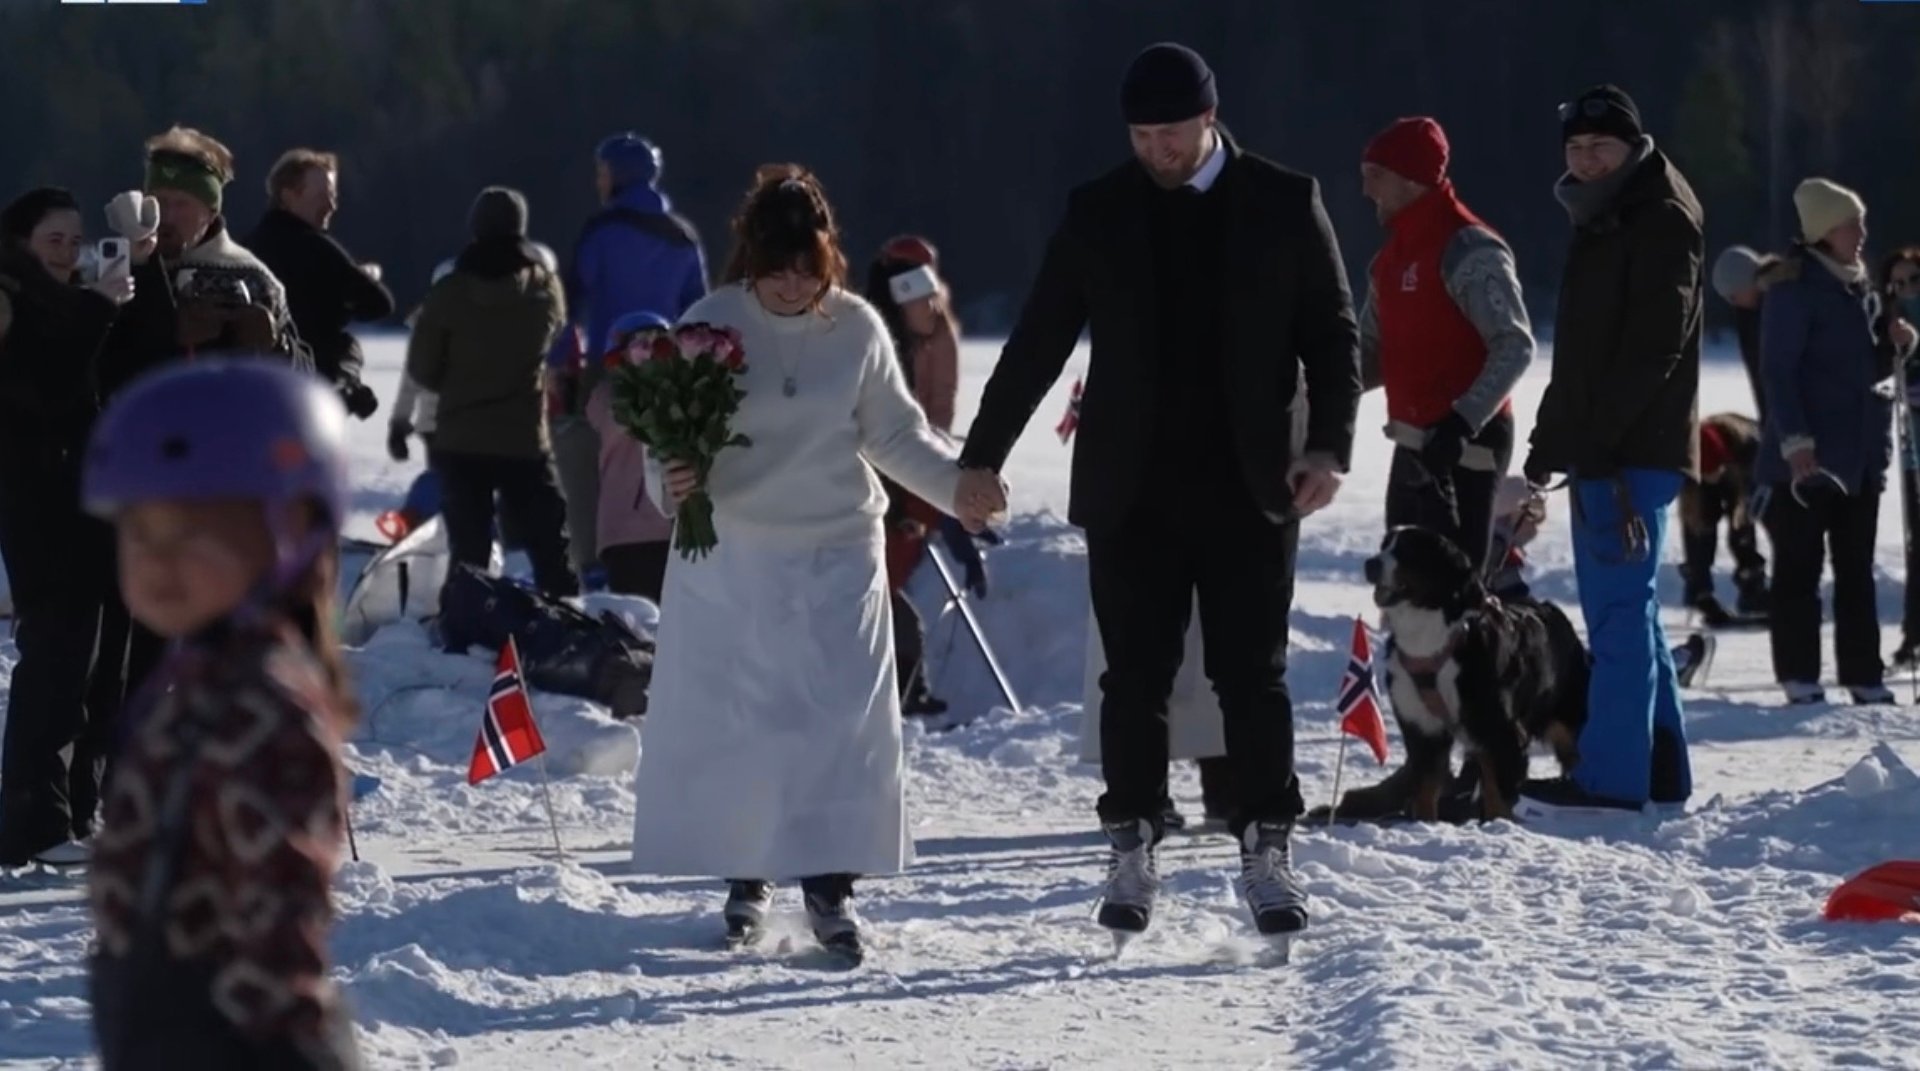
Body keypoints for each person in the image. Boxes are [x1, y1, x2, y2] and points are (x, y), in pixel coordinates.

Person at [960, 43, 1361, 938]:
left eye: (1169, 133)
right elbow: (1037, 341)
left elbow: (1333, 335)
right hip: (1131, 485)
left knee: (1250, 675)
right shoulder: (1099, 211)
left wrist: (1328, 447)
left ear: (1208, 118)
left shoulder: (1285, 201)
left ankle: (1266, 848)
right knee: (1130, 677)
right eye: (1140, 135)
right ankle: (1132, 842)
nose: (1155, 150)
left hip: (1253, 482)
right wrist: (981, 456)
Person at [627, 165, 1004, 963]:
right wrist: (673, 479)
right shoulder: (708, 322)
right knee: (747, 720)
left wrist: (961, 487)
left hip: (837, 554)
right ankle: (747, 869)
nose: (794, 284)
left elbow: (895, 436)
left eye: (808, 266)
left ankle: (831, 884)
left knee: (837, 724)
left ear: (828, 257)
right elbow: (665, 441)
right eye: (776, 268)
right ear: (749, 259)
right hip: (736, 556)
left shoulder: (859, 330)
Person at [82, 360, 362, 1070]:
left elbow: (281, 907)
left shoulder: (266, 705)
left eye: (192, 530)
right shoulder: (197, 682)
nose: (157, 560)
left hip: (241, 1044)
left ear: (292, 527)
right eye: (138, 532)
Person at [1343, 115, 1534, 820]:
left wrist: (1463, 419)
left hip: (1468, 449)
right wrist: (1299, 399)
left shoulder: (1469, 248)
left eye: (1376, 176)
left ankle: (1483, 760)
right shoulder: (1390, 260)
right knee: (1407, 608)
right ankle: (1421, 765)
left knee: (1461, 612)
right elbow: (1365, 354)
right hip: (1414, 444)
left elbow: (1513, 344)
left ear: (1414, 177)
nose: (1366, 191)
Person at [1518, 85, 1702, 815]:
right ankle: (1661, 767)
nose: (1587, 161)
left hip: (1630, 452)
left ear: (1633, 147)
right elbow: (1584, 350)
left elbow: (1654, 344)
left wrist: (1592, 440)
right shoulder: (1609, 214)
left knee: (1619, 616)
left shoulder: (1657, 217)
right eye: (1576, 149)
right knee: (1638, 610)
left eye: (1601, 149)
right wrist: (1547, 439)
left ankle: (1612, 777)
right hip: (1611, 444)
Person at [0, 188, 136, 867]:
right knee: (53, 660)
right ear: (23, 243)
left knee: (88, 662)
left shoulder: (71, 302)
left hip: (86, 500)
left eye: (74, 239)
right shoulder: (17, 303)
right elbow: (42, 385)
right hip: (41, 504)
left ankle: (67, 811)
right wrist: (102, 307)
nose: (67, 251)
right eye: (54, 239)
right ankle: (34, 821)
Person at [1755, 179, 1913, 706]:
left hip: (1859, 457)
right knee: (1800, 568)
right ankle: (1800, 675)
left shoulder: (1858, 289)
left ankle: (1863, 674)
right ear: (1825, 230)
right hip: (1806, 460)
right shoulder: (1794, 289)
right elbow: (1779, 372)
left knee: (1855, 569)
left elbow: (1860, 371)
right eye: (1852, 224)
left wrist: (1893, 346)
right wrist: (1796, 441)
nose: (1863, 233)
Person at [550, 133, 711, 579]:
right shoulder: (683, 236)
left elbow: (572, 302)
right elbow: (698, 307)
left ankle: (595, 563)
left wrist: (559, 361)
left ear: (617, 176)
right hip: (670, 367)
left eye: (602, 173)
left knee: (593, 468)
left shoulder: (602, 232)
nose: (598, 182)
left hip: (610, 366)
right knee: (667, 467)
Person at [407, 186, 579, 599]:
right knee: (549, 548)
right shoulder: (544, 289)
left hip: (460, 439)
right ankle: (571, 622)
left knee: (469, 551)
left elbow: (423, 370)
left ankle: (465, 628)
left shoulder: (448, 293)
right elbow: (554, 334)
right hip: (523, 437)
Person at [96, 126, 313, 397]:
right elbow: (93, 367)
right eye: (160, 201)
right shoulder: (119, 269)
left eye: (182, 204)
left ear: (210, 212)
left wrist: (277, 347)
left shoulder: (252, 278)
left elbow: (306, 385)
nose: (168, 215)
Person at [863, 241, 987, 717]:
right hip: (886, 488)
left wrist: (944, 494)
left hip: (916, 482)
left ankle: (902, 690)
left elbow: (936, 418)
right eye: (912, 286)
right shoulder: (875, 343)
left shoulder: (938, 335)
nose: (927, 301)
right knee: (873, 592)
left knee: (884, 591)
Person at [246, 147, 394, 418]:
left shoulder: (248, 247)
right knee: (345, 345)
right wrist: (353, 289)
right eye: (322, 196)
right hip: (310, 393)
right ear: (288, 196)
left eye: (333, 196)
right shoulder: (318, 249)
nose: (332, 205)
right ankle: (344, 388)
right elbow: (379, 304)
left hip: (257, 390)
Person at [583, 310, 675, 601]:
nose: (650, 351)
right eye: (640, 344)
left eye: (658, 344)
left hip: (672, 531)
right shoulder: (607, 396)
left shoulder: (678, 393)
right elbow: (628, 418)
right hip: (628, 532)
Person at [1677, 412, 1768, 625]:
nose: (1714, 478)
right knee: (1699, 520)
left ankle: (1751, 583)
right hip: (1701, 466)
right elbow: (1694, 518)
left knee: (1742, 523)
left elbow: (1749, 507)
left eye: (1715, 472)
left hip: (1740, 463)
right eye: (1709, 475)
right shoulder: (1687, 455)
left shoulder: (1750, 444)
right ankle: (1699, 590)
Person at [1879, 246, 1920, 667]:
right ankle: (1914, 632)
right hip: (1913, 452)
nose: (1907, 291)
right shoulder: (1888, 323)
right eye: (1899, 284)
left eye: (1914, 281)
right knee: (1915, 544)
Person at [1710, 245, 1788, 420]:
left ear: (1746, 282)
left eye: (1733, 295)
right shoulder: (1749, 315)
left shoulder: (1785, 306)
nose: (1733, 302)